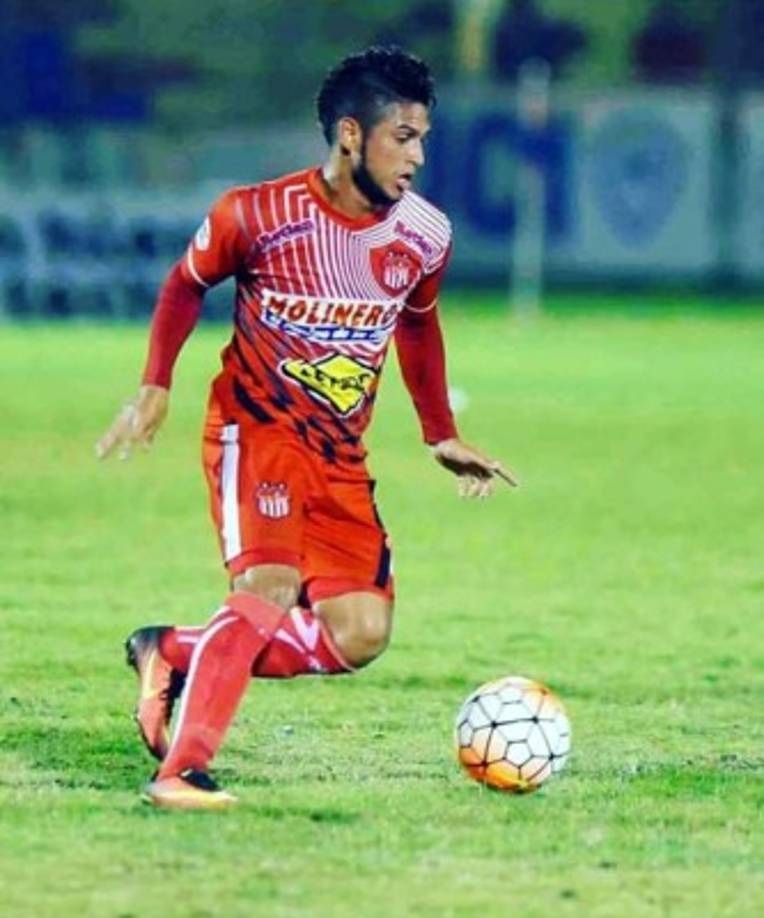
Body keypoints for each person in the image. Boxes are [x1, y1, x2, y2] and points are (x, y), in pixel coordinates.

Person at [97, 46, 516, 810]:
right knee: (268, 585)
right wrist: (155, 385)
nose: (418, 156)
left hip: (339, 455)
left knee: (360, 633)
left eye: (424, 137)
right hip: (254, 430)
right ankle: (180, 771)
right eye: (404, 136)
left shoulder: (423, 234)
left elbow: (418, 325)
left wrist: (439, 431)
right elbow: (186, 284)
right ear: (351, 135)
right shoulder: (257, 215)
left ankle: (176, 652)